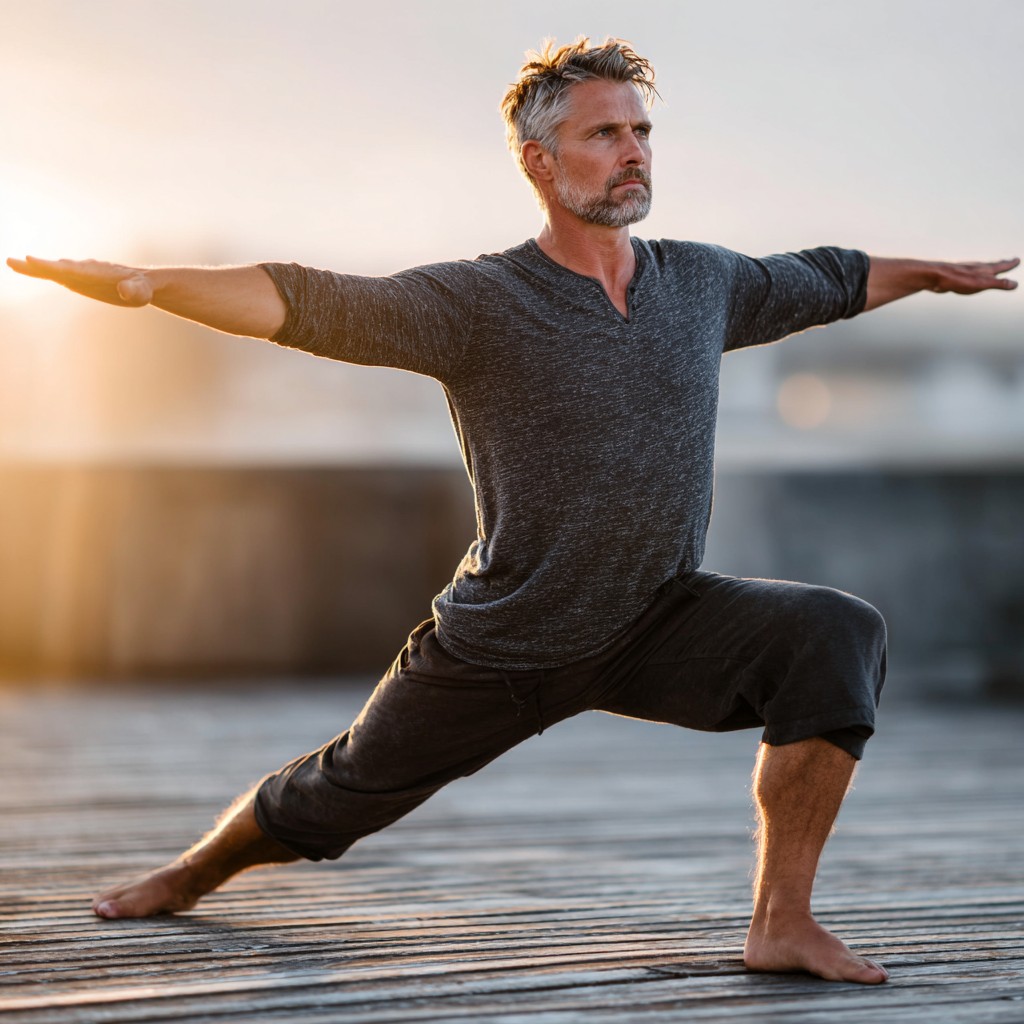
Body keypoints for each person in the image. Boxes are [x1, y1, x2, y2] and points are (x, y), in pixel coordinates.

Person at [8, 37, 1017, 986]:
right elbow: (311, 300)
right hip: (505, 641)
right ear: (539, 163)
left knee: (833, 633)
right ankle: (189, 875)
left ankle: (780, 921)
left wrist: (927, 273)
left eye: (640, 132)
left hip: (656, 618)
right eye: (602, 134)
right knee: (333, 799)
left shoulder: (701, 283)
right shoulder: (479, 302)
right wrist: (152, 286)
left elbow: (827, 280)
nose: (631, 153)